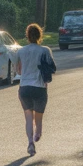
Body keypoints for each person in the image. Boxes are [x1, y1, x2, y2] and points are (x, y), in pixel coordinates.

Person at [12, 23, 55, 156]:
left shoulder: (21, 51)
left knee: (28, 117)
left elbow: (18, 70)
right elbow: (51, 68)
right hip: (40, 87)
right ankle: (38, 133)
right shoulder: (45, 50)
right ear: (40, 35)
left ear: (27, 36)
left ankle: (30, 142)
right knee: (39, 117)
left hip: (24, 87)